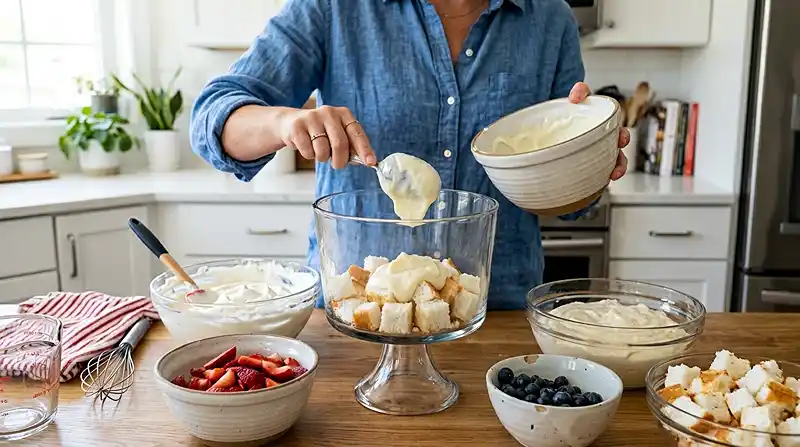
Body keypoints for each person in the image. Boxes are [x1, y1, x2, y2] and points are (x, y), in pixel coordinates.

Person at [190, 0, 629, 310]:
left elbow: (570, 204)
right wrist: (283, 123)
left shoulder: (550, 19)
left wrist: (586, 164)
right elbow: (212, 118)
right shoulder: (333, 9)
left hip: (495, 314)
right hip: (358, 306)